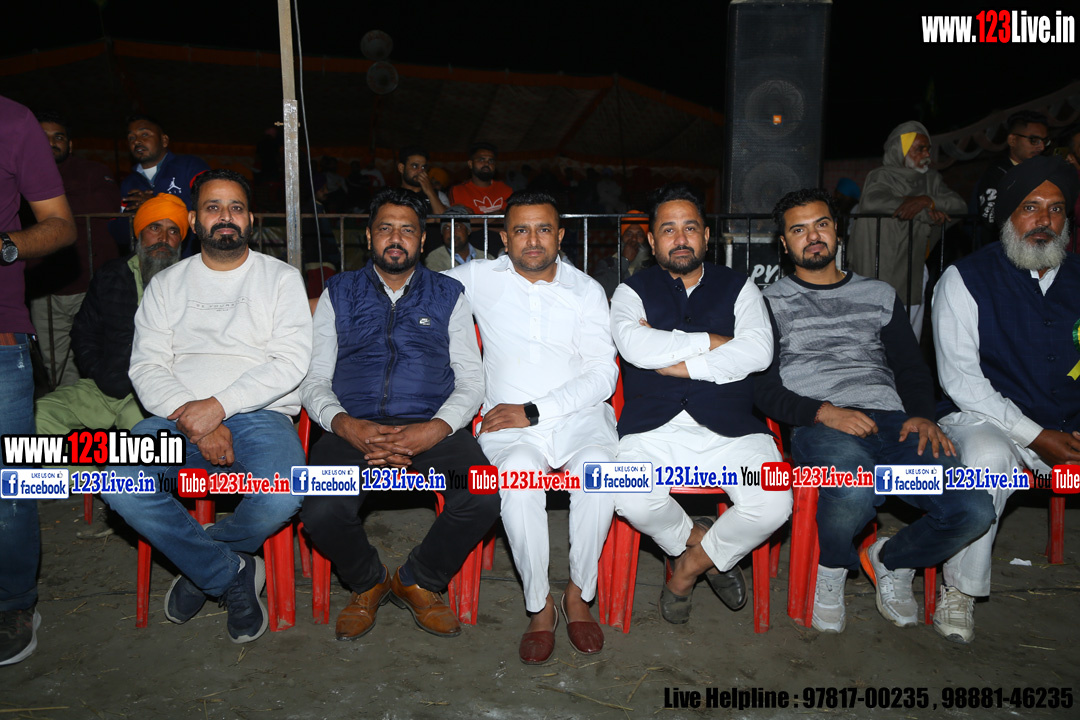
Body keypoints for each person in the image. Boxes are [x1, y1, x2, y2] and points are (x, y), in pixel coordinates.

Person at [757, 188, 993, 636]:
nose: (813, 236)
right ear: (784, 244)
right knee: (852, 487)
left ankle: (890, 558)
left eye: (821, 224)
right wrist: (824, 412)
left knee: (973, 508)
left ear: (837, 230)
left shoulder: (879, 294)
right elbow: (763, 388)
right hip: (823, 424)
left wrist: (922, 414)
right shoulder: (768, 301)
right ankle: (832, 569)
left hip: (896, 423)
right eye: (799, 230)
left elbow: (911, 368)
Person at [101, 169, 311, 644]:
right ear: (195, 222)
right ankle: (229, 571)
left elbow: (290, 362)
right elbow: (146, 367)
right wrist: (194, 416)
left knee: (283, 491)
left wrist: (218, 407)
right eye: (213, 207)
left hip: (261, 414)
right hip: (175, 416)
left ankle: (204, 564)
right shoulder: (166, 284)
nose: (226, 217)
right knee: (117, 480)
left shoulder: (281, 279)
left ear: (251, 219)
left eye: (236, 207)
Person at [299, 188, 499, 640]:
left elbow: (472, 380)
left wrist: (435, 429)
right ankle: (367, 582)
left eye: (407, 230)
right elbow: (314, 379)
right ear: (369, 236)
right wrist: (345, 425)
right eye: (385, 228)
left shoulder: (449, 294)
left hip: (432, 427)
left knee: (483, 494)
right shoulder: (338, 292)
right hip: (353, 426)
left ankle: (418, 580)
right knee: (321, 510)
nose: (395, 238)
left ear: (422, 239)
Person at [445, 191, 618, 664]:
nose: (533, 240)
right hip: (509, 426)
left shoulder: (586, 290)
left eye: (544, 229)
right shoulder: (479, 277)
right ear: (505, 238)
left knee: (600, 472)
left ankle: (578, 594)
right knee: (518, 479)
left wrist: (535, 409)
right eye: (521, 230)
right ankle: (539, 605)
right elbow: (412, 287)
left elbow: (603, 374)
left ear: (560, 235)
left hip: (579, 417)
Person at [608, 184, 790, 624]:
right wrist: (713, 342)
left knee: (773, 502)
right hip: (653, 429)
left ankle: (688, 569)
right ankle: (700, 540)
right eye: (668, 229)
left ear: (707, 236)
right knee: (629, 495)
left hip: (732, 430)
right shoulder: (629, 291)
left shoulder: (740, 287)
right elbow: (635, 347)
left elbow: (758, 352)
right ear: (652, 240)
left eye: (690, 228)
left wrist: (682, 365)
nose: (680, 238)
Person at [934, 156, 1080, 644]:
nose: (1045, 220)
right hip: (987, 419)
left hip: (1069, 424)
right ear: (1008, 216)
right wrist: (1037, 436)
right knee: (989, 458)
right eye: (1030, 207)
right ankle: (959, 589)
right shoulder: (964, 279)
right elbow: (962, 381)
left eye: (1056, 209)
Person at [34, 193, 186, 539]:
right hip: (107, 386)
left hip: (157, 396)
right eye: (154, 228)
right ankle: (105, 486)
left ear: (181, 240)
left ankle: (130, 504)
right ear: (138, 234)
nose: (163, 239)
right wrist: (100, 373)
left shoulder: (192, 280)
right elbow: (83, 331)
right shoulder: (112, 274)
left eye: (173, 231)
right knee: (38, 418)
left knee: (146, 442)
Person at [0, 94, 77, 666]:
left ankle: (13, 603)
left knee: (11, 482)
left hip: (0, 333)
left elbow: (60, 226)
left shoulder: (12, 120)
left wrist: (4, 245)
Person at [28, 110, 121, 388]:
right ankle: (68, 412)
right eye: (42, 137)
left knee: (96, 356)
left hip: (89, 285)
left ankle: (98, 412)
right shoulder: (18, 175)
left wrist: (44, 207)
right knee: (54, 362)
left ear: (70, 144)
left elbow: (106, 209)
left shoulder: (92, 171)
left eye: (58, 137)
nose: (51, 143)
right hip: (44, 289)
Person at [847, 121, 966, 339]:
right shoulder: (881, 176)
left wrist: (926, 200)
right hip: (878, 264)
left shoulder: (931, 180)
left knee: (908, 336)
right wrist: (924, 211)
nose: (926, 154)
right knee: (874, 336)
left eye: (928, 149)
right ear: (899, 150)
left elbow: (959, 205)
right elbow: (873, 202)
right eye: (919, 148)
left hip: (913, 266)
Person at [111, 114, 209, 252]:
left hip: (189, 258)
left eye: (144, 134)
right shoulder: (129, 183)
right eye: (131, 138)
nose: (137, 141)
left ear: (164, 140)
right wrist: (134, 217)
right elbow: (121, 238)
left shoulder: (190, 166)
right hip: (148, 262)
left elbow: (210, 207)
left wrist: (155, 205)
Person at [970, 111, 1051, 249]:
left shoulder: (1046, 172)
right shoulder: (997, 174)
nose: (1041, 147)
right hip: (1003, 250)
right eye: (1034, 140)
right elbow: (991, 219)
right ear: (1012, 140)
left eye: (1045, 141)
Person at [592, 211, 651, 298]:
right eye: (629, 234)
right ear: (622, 237)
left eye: (639, 234)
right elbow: (598, 293)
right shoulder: (607, 264)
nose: (634, 239)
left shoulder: (652, 265)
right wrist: (624, 260)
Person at [448, 142, 512, 216]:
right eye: (481, 160)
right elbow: (460, 220)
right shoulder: (458, 190)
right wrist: (493, 216)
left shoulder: (505, 189)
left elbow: (512, 219)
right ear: (470, 164)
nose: (487, 164)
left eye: (491, 161)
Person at [423, 205, 493, 272]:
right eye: (447, 228)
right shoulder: (434, 259)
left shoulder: (486, 258)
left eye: (457, 226)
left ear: (468, 230)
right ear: (442, 233)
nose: (452, 231)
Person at [397, 145, 448, 215]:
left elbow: (444, 219)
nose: (420, 171)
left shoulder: (439, 195)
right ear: (401, 168)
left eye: (423, 167)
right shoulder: (392, 195)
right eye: (415, 166)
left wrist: (430, 192)